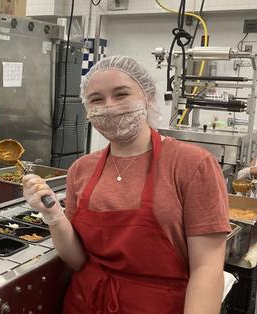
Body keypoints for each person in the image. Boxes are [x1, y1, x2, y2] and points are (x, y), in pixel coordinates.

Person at [22, 56, 230, 313]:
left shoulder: (192, 164)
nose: (109, 106)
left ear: (148, 98)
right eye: (97, 99)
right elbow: (78, 260)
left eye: (121, 94)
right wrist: (53, 215)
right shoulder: (81, 169)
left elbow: (207, 268)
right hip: (85, 302)